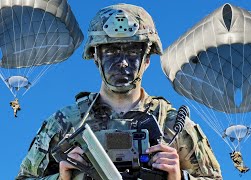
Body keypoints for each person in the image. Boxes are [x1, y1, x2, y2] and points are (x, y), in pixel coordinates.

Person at [16, 3, 222, 180]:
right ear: (96, 57)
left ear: (147, 59)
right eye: (112, 51)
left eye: (132, 52)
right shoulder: (65, 124)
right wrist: (63, 177)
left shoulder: (172, 124)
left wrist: (179, 177)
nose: (122, 63)